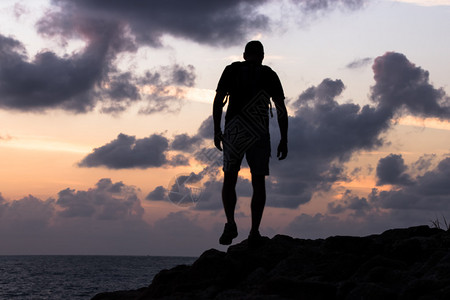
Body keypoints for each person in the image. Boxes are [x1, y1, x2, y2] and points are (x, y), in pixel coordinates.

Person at [213, 41, 288, 246]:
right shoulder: (269, 74)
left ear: (245, 55)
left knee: (230, 178)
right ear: (262, 56)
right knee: (258, 182)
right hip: (259, 132)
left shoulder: (232, 69)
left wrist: (216, 130)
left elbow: (218, 100)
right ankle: (254, 231)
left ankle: (230, 223)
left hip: (234, 129)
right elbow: (281, 108)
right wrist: (284, 138)